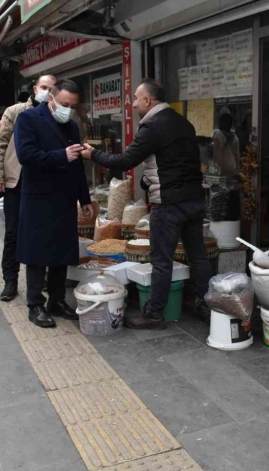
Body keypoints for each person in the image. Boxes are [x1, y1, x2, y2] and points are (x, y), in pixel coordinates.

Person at [82, 78, 212, 329]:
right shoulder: (183, 123)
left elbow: (124, 161)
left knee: (160, 260)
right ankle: (205, 305)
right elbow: (174, 161)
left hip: (169, 204)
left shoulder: (152, 125)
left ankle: (154, 314)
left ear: (148, 100)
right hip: (194, 200)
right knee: (198, 256)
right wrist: (148, 181)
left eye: (136, 98)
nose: (133, 104)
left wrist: (93, 154)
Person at [13, 79, 92, 328]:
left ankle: (56, 301)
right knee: (37, 253)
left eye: (73, 105)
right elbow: (25, 154)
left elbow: (77, 163)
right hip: (38, 197)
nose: (68, 109)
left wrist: (84, 198)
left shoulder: (70, 125)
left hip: (65, 198)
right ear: (51, 99)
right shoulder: (28, 119)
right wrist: (61, 155)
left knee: (60, 253)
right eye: (64, 104)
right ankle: (35, 304)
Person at [0, 74, 57, 302]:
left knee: (43, 232)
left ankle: (41, 278)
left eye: (52, 88)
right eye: (44, 87)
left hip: (44, 183)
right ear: (35, 88)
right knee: (13, 234)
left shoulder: (56, 112)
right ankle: (10, 280)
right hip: (17, 181)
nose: (47, 91)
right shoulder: (16, 111)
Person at [212, 111, 240, 179]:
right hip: (232, 166)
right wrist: (237, 170)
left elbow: (217, 155)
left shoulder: (219, 135)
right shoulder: (235, 136)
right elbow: (237, 155)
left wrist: (214, 171)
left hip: (222, 167)